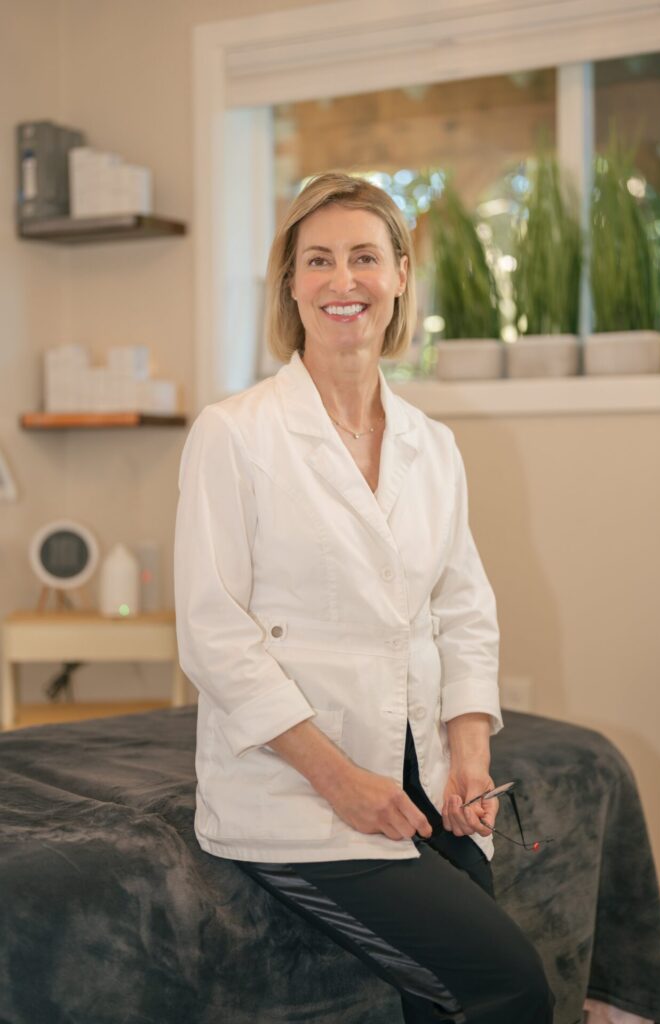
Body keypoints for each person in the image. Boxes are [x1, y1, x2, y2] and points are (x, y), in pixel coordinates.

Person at [174, 171, 554, 1023]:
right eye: (317, 260)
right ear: (290, 285)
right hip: (300, 792)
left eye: (362, 258)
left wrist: (469, 754)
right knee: (505, 986)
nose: (342, 281)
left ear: (398, 276)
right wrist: (341, 781)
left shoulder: (433, 444)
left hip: (426, 778)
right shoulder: (234, 434)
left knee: (448, 993)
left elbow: (462, 608)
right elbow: (211, 635)